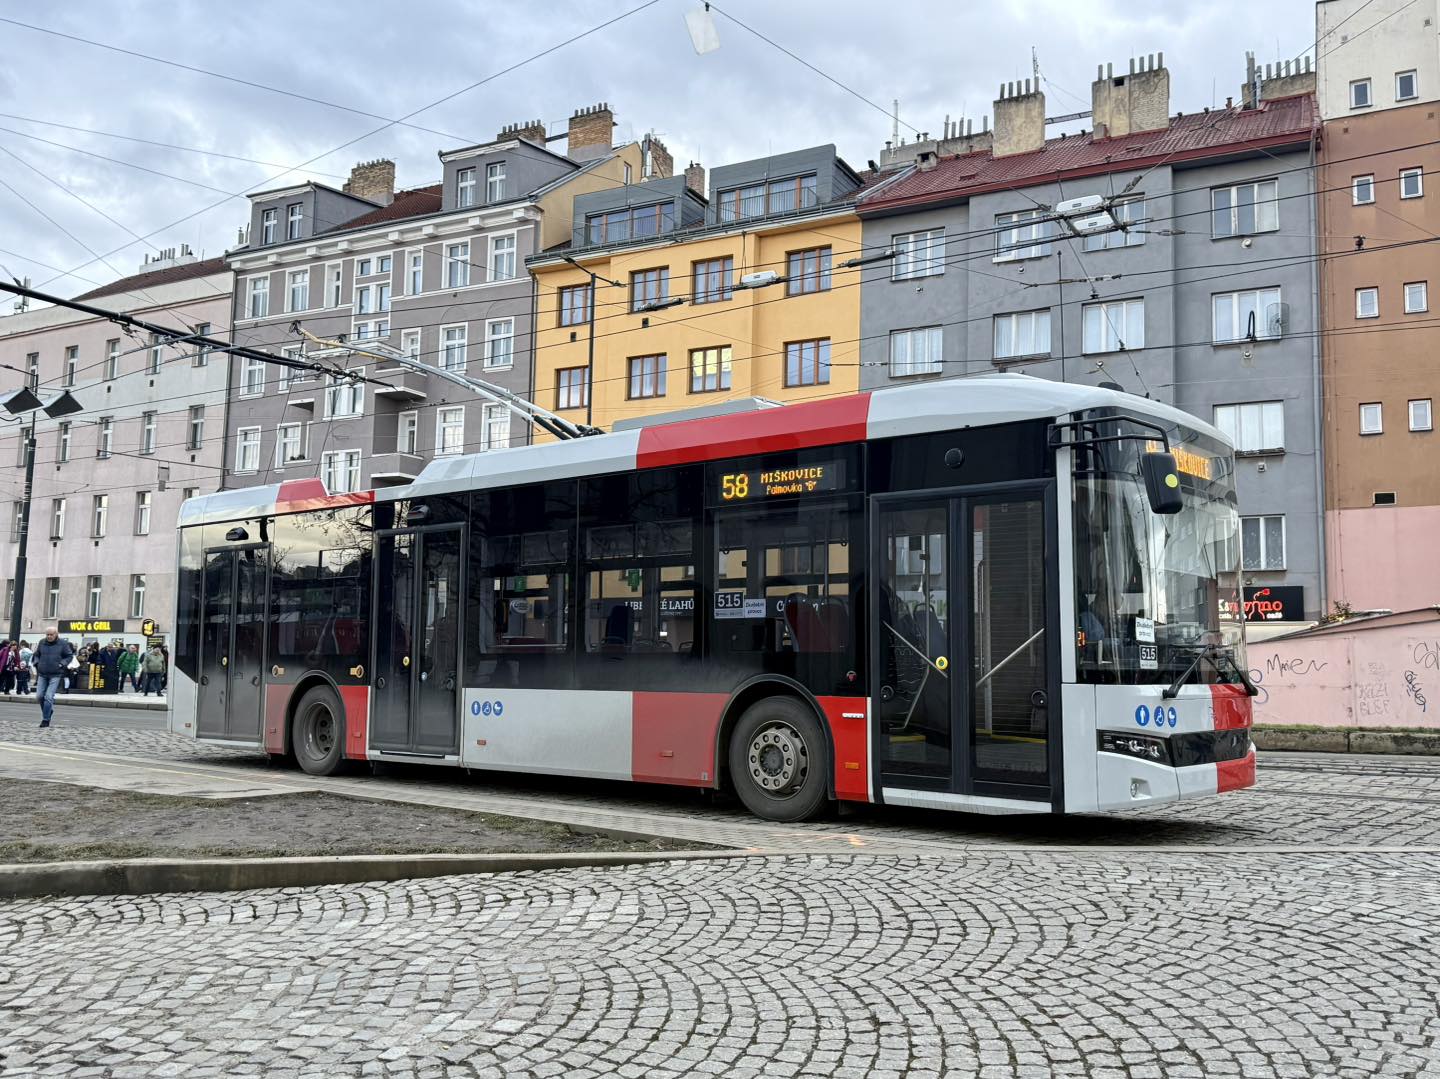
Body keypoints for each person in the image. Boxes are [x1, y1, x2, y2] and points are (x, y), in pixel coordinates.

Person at [33, 627, 75, 728]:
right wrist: (37, 663)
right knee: (39, 696)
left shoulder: (62, 644)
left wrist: (61, 664)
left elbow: (69, 656)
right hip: (42, 673)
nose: (49, 636)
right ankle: (48, 711)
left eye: (51, 635)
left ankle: (45, 719)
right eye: (47, 634)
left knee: (48, 697)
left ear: (56, 634)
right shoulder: (42, 642)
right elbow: (36, 654)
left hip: (55, 674)